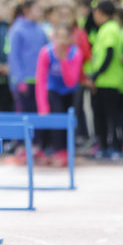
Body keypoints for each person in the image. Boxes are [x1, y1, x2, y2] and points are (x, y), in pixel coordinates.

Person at [35, 24, 83, 167]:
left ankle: (67, 150)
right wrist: (42, 107)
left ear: (70, 38)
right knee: (54, 117)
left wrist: (63, 61)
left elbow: (71, 81)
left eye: (65, 37)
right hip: (53, 89)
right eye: (58, 37)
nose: (61, 40)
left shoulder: (75, 53)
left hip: (70, 91)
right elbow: (41, 80)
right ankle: (54, 150)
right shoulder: (46, 52)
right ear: (53, 37)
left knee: (69, 120)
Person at [89, 0, 123, 160]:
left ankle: (111, 146)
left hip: (107, 81)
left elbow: (109, 54)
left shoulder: (109, 29)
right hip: (108, 80)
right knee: (107, 116)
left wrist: (96, 75)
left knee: (107, 117)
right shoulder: (109, 28)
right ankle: (107, 145)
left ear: (99, 12)